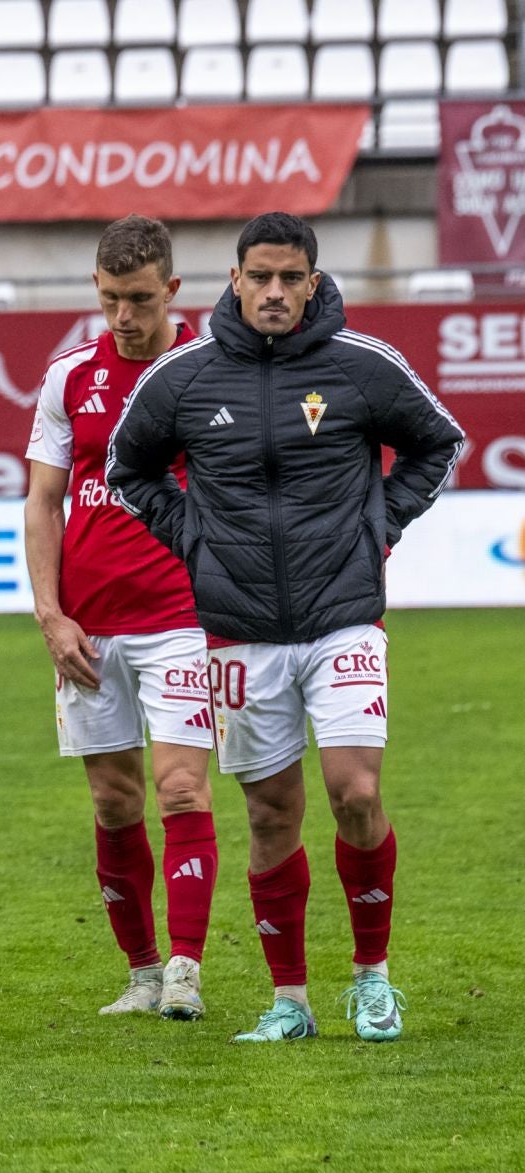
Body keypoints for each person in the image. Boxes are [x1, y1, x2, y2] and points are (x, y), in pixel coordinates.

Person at [107, 212, 465, 1043]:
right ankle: (290, 1003)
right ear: (234, 280)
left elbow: (438, 444)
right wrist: (192, 538)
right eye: (259, 276)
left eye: (290, 278)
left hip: (342, 616)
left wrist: (380, 525)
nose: (274, 292)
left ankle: (372, 980)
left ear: (312, 280)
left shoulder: (361, 366)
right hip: (238, 629)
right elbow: (130, 467)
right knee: (271, 815)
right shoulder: (182, 377)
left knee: (356, 793)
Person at [23, 215, 220, 1021]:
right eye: (109, 300)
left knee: (180, 788)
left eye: (138, 299)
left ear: (172, 291)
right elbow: (42, 499)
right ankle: (140, 974)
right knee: (112, 801)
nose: (123, 317)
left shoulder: (213, 368)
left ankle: (185, 969)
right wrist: (50, 613)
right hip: (89, 625)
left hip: (182, 613)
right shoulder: (70, 376)